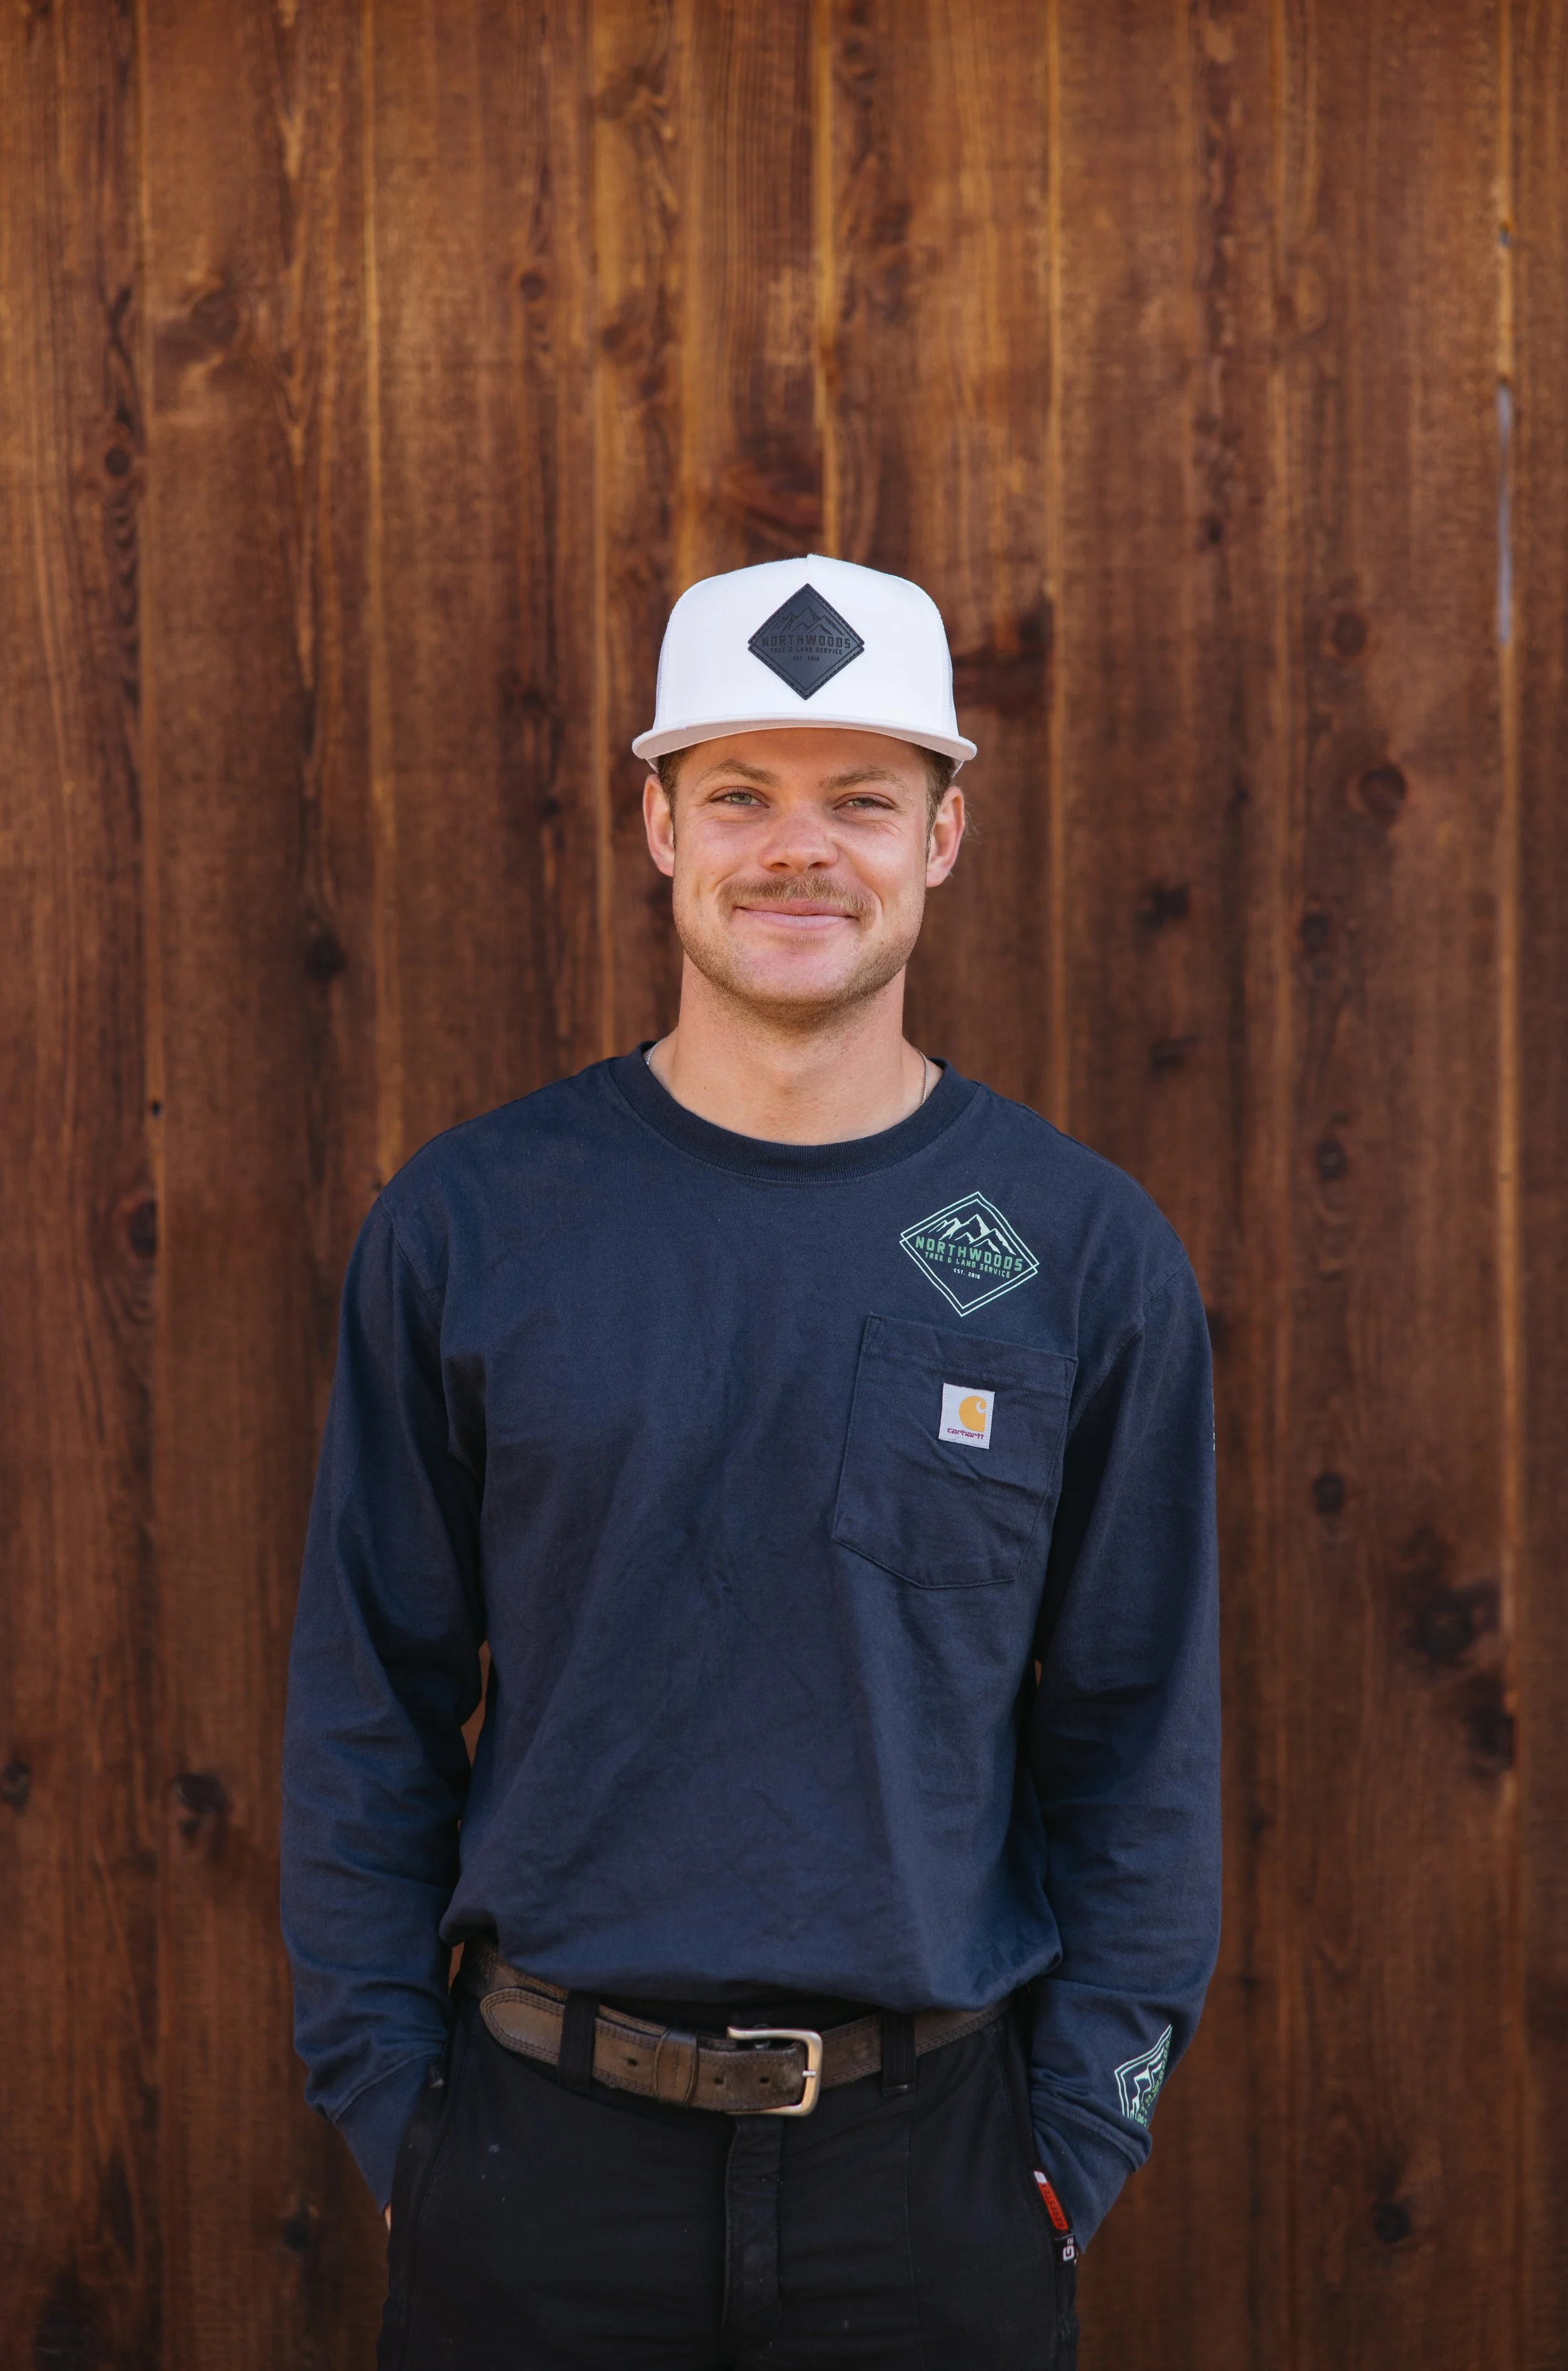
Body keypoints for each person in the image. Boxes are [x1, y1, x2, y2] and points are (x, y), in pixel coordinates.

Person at [281, 554, 1221, 2371]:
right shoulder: (479, 1223)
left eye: (862, 798)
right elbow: (365, 1702)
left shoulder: (1070, 1248)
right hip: (536, 2166)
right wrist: (397, 2112)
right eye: (740, 795)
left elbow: (1137, 1732)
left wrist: (1073, 2146)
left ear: (941, 834)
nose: (801, 850)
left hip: (932, 2182)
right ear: (657, 821)